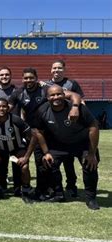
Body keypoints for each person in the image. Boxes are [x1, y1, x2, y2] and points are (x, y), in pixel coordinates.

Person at [9, 68, 82, 199]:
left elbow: (74, 95)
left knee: (64, 160)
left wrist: (76, 106)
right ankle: (42, 189)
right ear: (22, 79)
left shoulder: (46, 89)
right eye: (26, 78)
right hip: (34, 132)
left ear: (36, 78)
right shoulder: (18, 93)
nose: (28, 80)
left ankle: (66, 187)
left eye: (31, 77)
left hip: (52, 131)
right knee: (40, 161)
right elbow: (6, 107)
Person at [34, 85, 100, 210]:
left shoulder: (78, 108)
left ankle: (91, 198)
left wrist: (92, 153)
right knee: (47, 163)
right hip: (60, 145)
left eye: (59, 94)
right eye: (52, 95)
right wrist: (46, 152)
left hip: (82, 143)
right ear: (47, 98)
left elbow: (94, 127)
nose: (56, 97)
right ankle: (59, 194)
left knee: (90, 165)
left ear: (64, 95)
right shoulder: (42, 110)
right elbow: (39, 132)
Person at [0, 98, 34, 203]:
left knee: (24, 167)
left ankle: (26, 189)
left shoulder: (16, 120)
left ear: (8, 108)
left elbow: (32, 137)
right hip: (1, 149)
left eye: (4, 106)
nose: (1, 109)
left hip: (17, 148)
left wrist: (26, 156)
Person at [45, 59, 85, 198]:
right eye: (54, 68)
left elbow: (80, 100)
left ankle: (71, 186)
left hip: (70, 125)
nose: (56, 70)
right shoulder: (46, 85)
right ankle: (55, 188)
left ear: (64, 69)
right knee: (54, 159)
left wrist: (79, 112)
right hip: (53, 126)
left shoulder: (72, 84)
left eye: (59, 68)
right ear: (51, 70)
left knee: (69, 160)